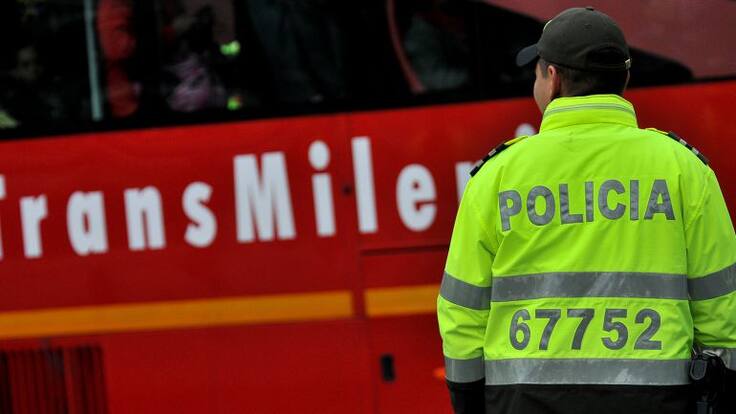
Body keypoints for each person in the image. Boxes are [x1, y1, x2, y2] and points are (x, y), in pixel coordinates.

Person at [436, 7, 736, 414]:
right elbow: (722, 306)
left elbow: (462, 314)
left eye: (537, 73)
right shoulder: (683, 169)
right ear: (624, 79)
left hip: (525, 403)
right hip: (656, 402)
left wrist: (469, 401)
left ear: (553, 78)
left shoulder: (496, 177)